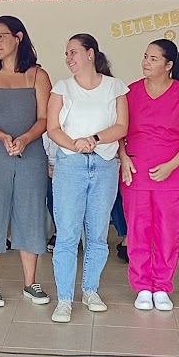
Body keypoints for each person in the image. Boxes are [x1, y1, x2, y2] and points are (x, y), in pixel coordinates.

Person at [0, 16, 53, 308]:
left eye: (1, 36)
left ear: (18, 37)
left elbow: (45, 118)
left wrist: (26, 138)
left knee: (31, 212)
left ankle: (30, 282)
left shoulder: (38, 75)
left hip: (31, 154)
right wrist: (3, 136)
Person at [45, 35, 128, 322]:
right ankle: (64, 299)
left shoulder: (115, 86)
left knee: (98, 235)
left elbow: (122, 126)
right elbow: (52, 128)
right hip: (70, 165)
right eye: (66, 53)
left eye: (74, 52)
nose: (69, 58)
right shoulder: (62, 88)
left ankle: (90, 290)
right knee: (67, 234)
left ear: (91, 53)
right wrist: (75, 145)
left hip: (104, 165)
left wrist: (93, 139)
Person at [120, 40, 179, 311]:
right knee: (138, 231)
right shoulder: (130, 92)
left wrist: (171, 165)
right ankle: (143, 286)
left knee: (168, 233)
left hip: (173, 176)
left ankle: (162, 286)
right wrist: (123, 157)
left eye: (153, 58)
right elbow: (118, 129)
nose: (146, 62)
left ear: (169, 65)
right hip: (136, 174)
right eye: (145, 56)